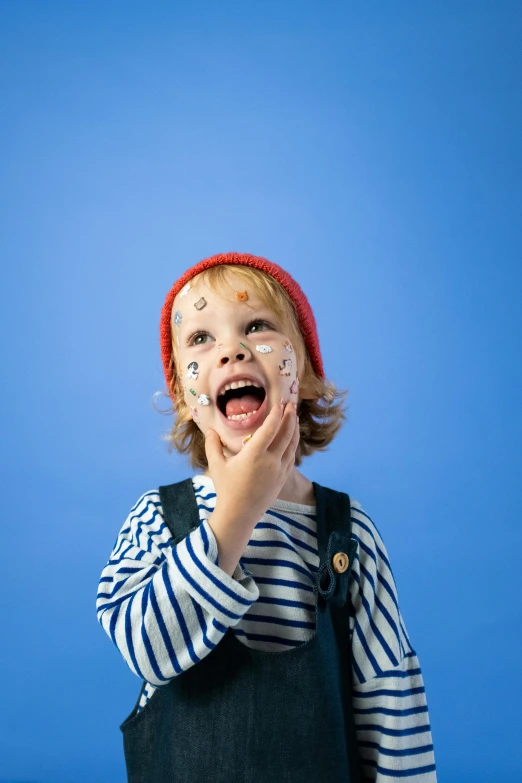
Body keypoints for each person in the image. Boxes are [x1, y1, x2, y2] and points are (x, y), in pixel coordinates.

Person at [96, 252, 437, 782]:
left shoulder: (348, 533)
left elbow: (391, 704)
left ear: (301, 370)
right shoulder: (156, 519)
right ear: (185, 399)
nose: (230, 351)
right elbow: (146, 649)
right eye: (201, 339)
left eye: (257, 327)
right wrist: (237, 512)